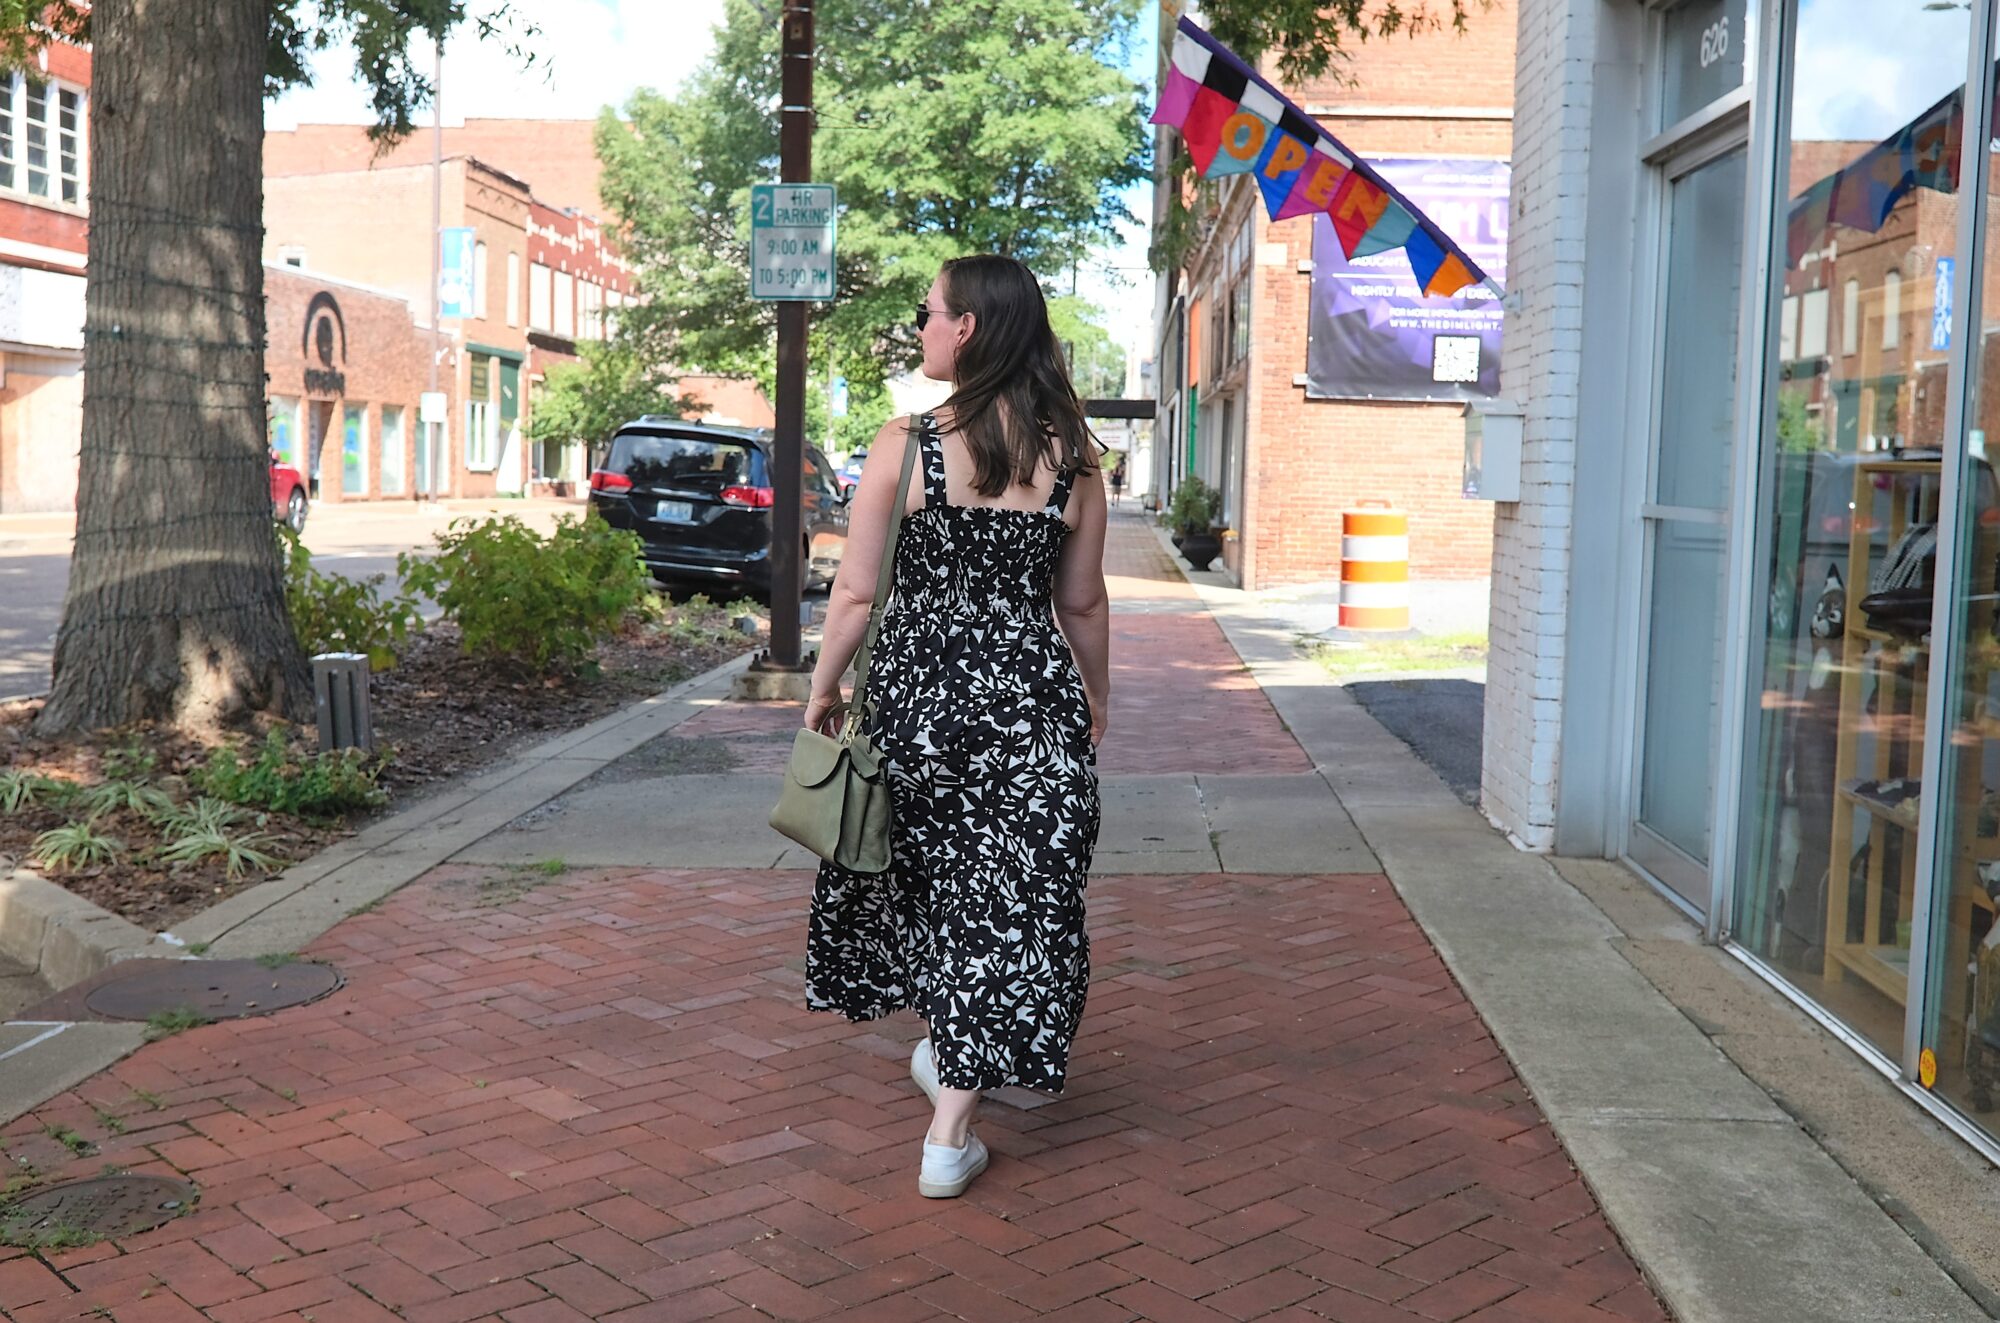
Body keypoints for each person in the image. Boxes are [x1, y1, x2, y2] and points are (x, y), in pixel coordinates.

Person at [802, 254, 1109, 1199]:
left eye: (929, 313)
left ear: (969, 326)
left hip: (918, 699)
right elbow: (1083, 604)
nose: (921, 327)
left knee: (934, 884)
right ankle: (951, 1109)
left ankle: (951, 1104)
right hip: (1028, 701)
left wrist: (824, 687)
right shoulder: (1076, 457)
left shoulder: (907, 443)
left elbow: (856, 590)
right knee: (1011, 897)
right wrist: (1097, 697)